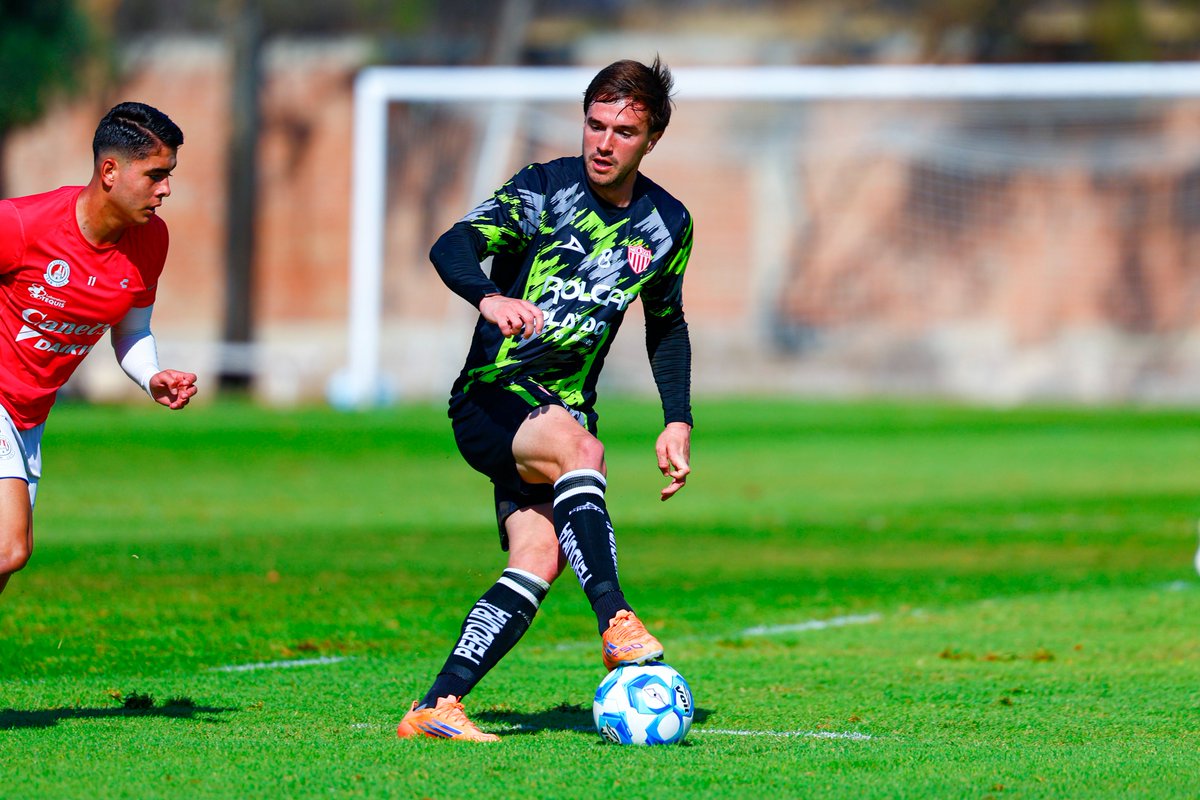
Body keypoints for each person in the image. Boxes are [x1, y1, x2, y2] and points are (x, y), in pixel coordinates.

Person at [397, 57, 694, 742]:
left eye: (623, 130)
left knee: (537, 558)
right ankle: (617, 621)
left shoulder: (666, 223)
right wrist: (489, 295)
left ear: (651, 140)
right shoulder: (544, 190)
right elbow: (453, 245)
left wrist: (676, 418)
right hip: (490, 396)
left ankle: (436, 706)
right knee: (581, 449)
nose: (603, 141)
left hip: (560, 410)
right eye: (594, 124)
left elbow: (667, 324)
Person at [0, 101, 198, 597]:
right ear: (110, 171)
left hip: (29, 415)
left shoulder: (150, 240)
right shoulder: (23, 224)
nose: (166, 189)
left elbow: (131, 331)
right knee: (10, 546)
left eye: (169, 175)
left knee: (3, 565)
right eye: (155, 175)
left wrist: (151, 376)